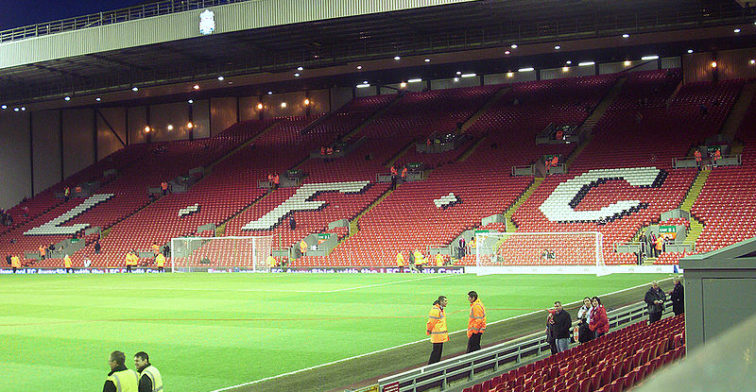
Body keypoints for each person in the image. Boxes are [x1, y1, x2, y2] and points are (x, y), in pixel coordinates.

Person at [426, 295, 449, 364]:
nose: (446, 302)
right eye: (445, 301)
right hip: (437, 336)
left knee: (438, 353)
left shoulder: (440, 309)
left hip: (440, 336)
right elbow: (431, 322)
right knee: (436, 353)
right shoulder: (436, 310)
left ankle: (435, 367)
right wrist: (428, 331)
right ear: (441, 301)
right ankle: (431, 367)